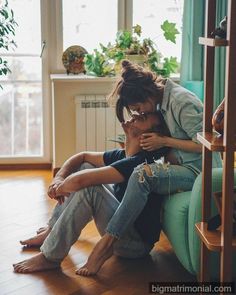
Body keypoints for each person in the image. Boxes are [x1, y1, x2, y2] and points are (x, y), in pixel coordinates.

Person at [76, 60, 223, 274]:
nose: (138, 113)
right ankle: (59, 228)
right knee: (125, 169)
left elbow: (205, 144)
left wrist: (164, 141)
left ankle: (106, 244)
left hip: (198, 172)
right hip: (180, 166)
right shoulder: (161, 101)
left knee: (142, 175)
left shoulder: (181, 102)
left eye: (137, 108)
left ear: (146, 94)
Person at [13, 111, 170, 274]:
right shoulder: (123, 155)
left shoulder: (141, 162)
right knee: (86, 167)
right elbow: (83, 157)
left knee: (90, 188)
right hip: (121, 230)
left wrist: (58, 188)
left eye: (142, 118)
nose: (135, 115)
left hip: (134, 245)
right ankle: (51, 231)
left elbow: (80, 182)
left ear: (148, 137)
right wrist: (58, 177)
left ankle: (50, 257)